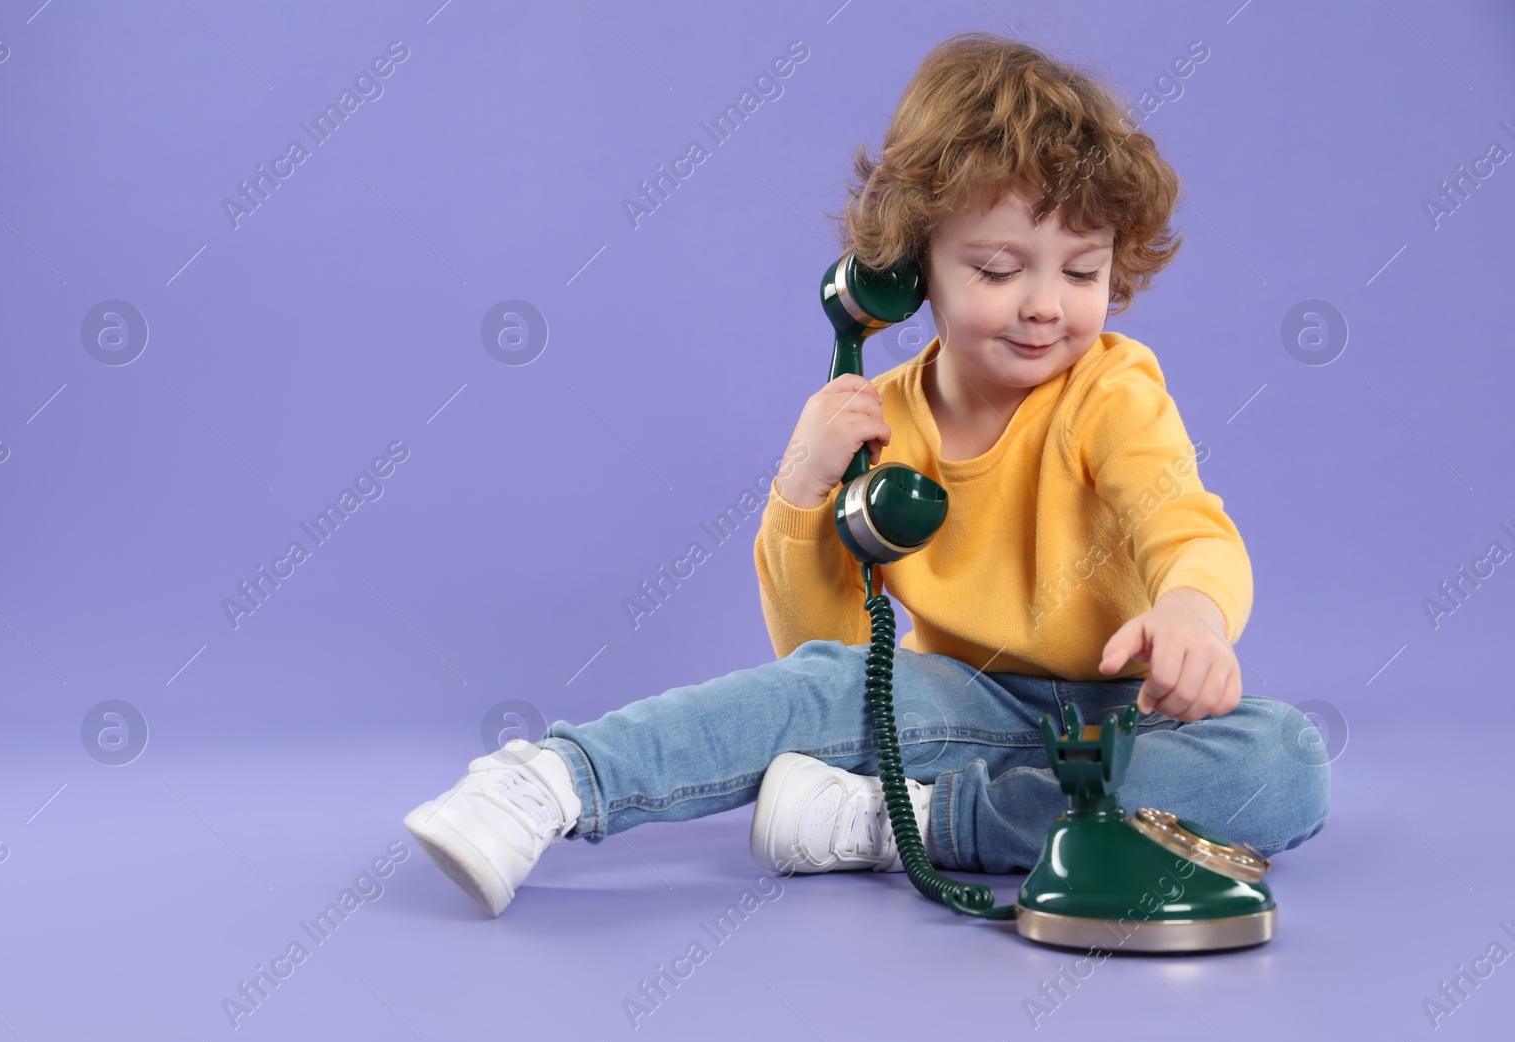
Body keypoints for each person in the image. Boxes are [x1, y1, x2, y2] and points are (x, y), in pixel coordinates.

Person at [403, 31, 1331, 918]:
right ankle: (553, 781)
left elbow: (1184, 523)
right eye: (1001, 268)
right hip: (959, 701)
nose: (1047, 306)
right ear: (907, 262)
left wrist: (1191, 614)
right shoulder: (877, 420)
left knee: (1283, 760)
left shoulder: (1112, 390)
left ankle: (903, 824)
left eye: (1082, 271)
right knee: (818, 693)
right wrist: (804, 490)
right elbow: (827, 648)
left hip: (1130, 719)